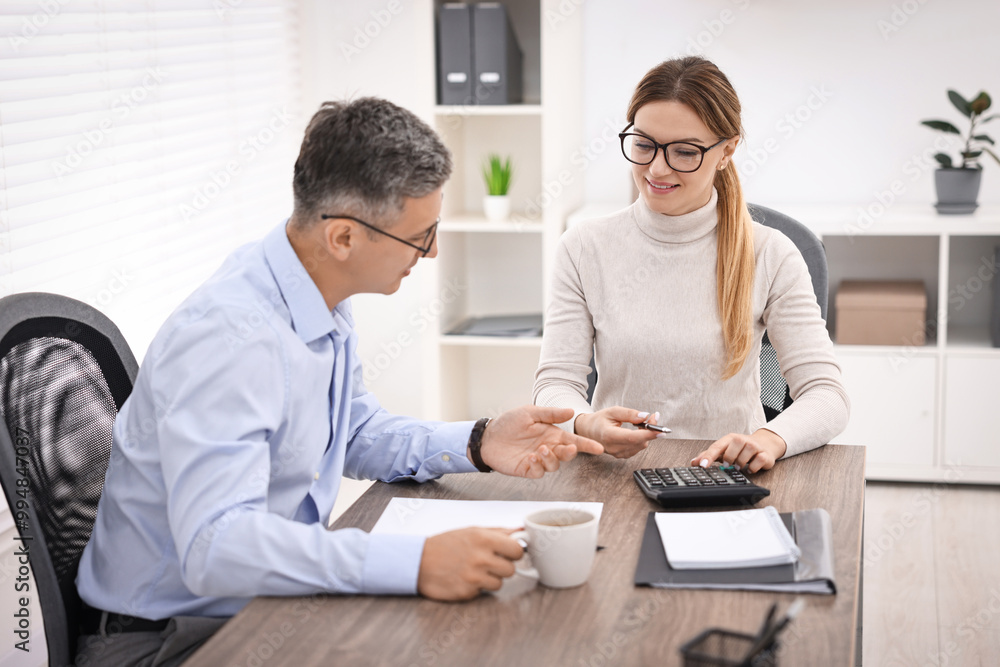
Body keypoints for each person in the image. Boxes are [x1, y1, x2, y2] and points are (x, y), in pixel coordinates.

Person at [75, 97, 603, 667]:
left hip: (259, 608)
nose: (430, 253)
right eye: (420, 237)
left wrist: (478, 442)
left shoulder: (313, 290)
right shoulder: (230, 338)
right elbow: (215, 547)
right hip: (172, 639)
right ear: (345, 238)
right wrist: (416, 562)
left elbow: (349, 429)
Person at [533, 56, 849, 473]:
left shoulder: (770, 253)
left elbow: (827, 394)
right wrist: (586, 423)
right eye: (644, 144)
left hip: (728, 477)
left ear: (727, 150)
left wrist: (768, 440)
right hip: (614, 473)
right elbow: (555, 385)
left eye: (685, 152)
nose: (657, 168)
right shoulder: (582, 248)